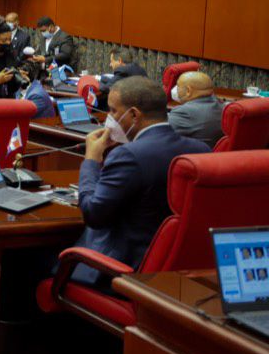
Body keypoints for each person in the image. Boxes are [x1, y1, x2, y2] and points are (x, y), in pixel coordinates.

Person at [70, 77, 210, 285]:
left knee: (37, 261)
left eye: (113, 111)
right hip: (173, 275)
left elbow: (93, 214)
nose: (109, 118)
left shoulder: (129, 155)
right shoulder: (201, 150)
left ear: (134, 115)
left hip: (120, 273)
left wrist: (91, 160)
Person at [167, 71, 226, 145]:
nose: (175, 89)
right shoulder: (223, 107)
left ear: (188, 91)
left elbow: (161, 135)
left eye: (178, 86)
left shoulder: (183, 112)